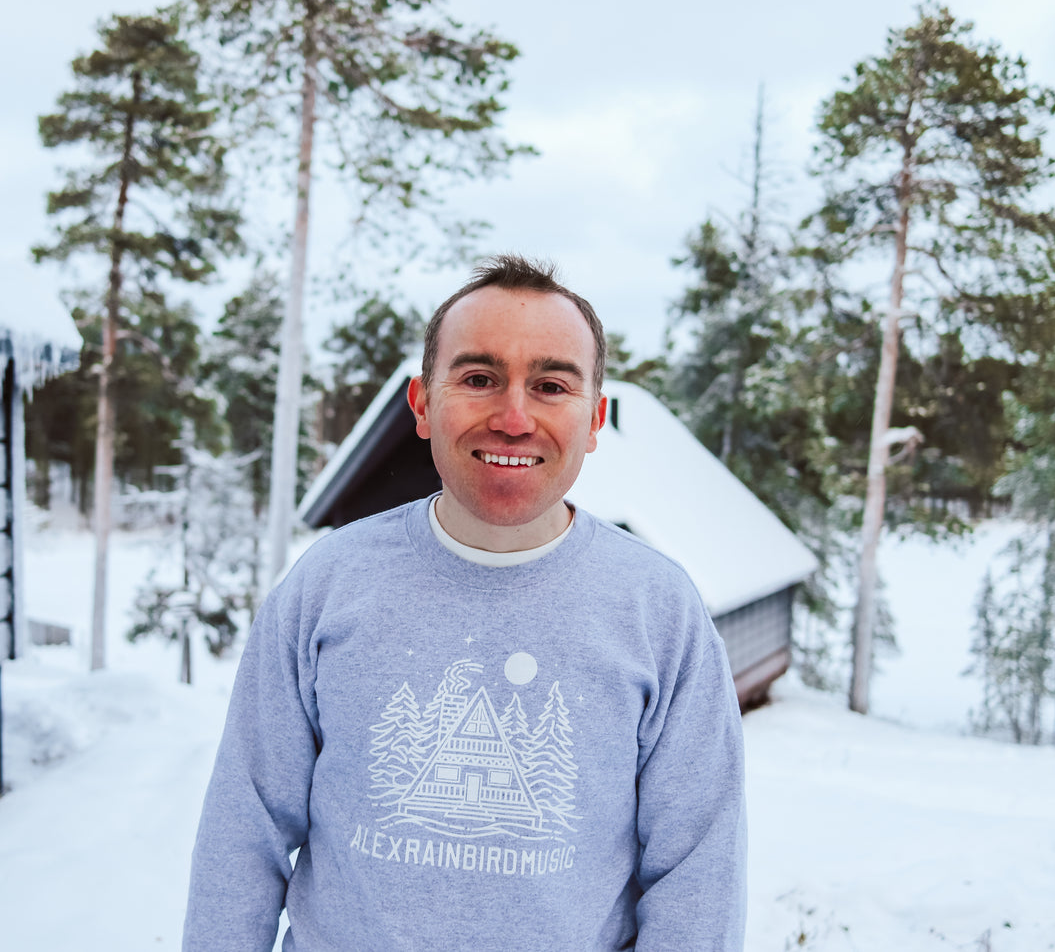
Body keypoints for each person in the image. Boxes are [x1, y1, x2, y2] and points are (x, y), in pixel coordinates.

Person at [183, 255, 747, 951]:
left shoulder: (658, 610)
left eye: (550, 386)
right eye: (479, 379)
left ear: (594, 418)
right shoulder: (326, 585)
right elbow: (243, 830)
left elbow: (699, 873)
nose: (514, 418)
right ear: (422, 404)